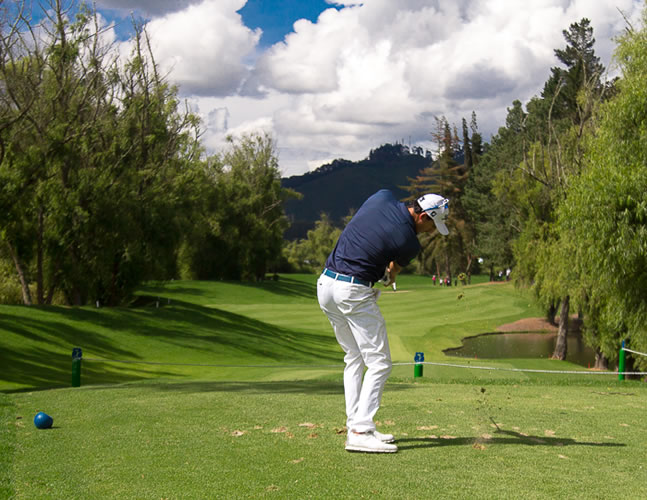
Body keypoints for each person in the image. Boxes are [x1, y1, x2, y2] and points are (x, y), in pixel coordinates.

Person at [317, 189, 449, 453]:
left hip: (325, 285)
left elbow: (374, 232)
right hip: (352, 291)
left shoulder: (382, 196)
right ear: (423, 216)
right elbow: (392, 270)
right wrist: (389, 276)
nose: (432, 231)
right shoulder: (410, 243)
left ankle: (356, 423)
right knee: (379, 363)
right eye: (433, 225)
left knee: (354, 357)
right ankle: (360, 431)